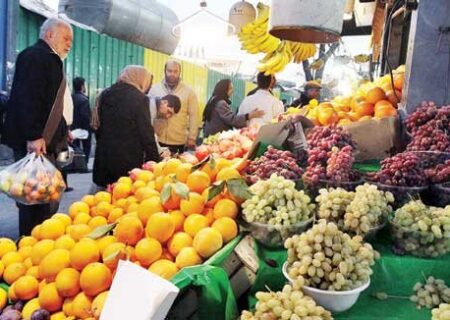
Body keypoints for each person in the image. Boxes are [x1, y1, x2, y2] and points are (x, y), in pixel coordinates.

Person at [1, 18, 73, 236]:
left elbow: (48, 104)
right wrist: (33, 135)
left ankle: (38, 240)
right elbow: (28, 98)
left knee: (42, 196)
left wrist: (62, 129)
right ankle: (30, 244)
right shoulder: (37, 57)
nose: (69, 44)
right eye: (66, 38)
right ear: (50, 35)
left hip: (45, 142)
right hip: (35, 142)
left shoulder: (46, 58)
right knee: (33, 198)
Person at [93, 65, 160, 188]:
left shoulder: (105, 94)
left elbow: (97, 127)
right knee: (122, 198)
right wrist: (154, 160)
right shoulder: (140, 99)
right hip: (127, 160)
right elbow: (145, 133)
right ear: (141, 79)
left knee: (102, 200)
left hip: (104, 158)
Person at [149, 60, 199, 154]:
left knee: (175, 167)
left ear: (180, 72)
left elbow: (194, 116)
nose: (172, 74)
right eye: (169, 71)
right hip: (157, 140)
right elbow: (147, 114)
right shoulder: (154, 89)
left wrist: (192, 137)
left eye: (175, 71)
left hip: (178, 141)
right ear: (165, 71)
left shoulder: (189, 91)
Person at [71, 77, 91, 163]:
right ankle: (84, 164)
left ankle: (75, 164)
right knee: (86, 146)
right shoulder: (84, 100)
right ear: (82, 86)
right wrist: (89, 127)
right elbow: (85, 116)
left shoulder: (71, 98)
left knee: (74, 146)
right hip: (83, 128)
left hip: (72, 127)